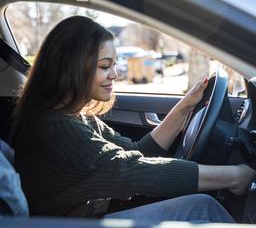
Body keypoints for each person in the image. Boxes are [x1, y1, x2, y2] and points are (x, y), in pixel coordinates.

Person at [10, 16, 255, 223]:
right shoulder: (55, 130)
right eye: (105, 66)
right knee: (202, 207)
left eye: (114, 64)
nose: (115, 74)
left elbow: (137, 151)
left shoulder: (75, 116)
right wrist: (233, 176)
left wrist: (185, 106)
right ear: (72, 67)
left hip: (84, 215)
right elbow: (135, 172)